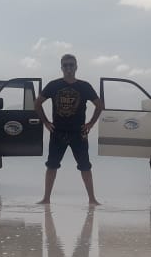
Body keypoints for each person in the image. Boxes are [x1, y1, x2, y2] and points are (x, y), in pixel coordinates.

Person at [35, 54, 103, 205]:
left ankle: (92, 199)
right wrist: (46, 122)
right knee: (51, 165)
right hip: (57, 132)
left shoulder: (84, 86)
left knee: (85, 165)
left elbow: (99, 105)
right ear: (61, 68)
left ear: (76, 67)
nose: (68, 68)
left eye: (71, 65)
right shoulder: (54, 85)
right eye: (65, 65)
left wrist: (90, 124)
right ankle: (46, 198)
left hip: (79, 132)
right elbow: (37, 103)